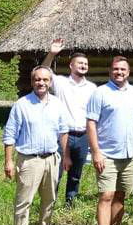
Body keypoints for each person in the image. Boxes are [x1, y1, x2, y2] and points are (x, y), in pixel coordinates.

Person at [86, 56, 133, 225]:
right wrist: (96, 151)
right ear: (110, 71)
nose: (119, 72)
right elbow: (91, 123)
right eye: (116, 69)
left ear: (128, 72)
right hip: (107, 155)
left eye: (123, 69)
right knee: (106, 195)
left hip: (129, 154)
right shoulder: (100, 93)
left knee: (121, 195)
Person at [2, 66, 71, 225]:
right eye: (37, 79)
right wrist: (9, 161)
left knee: (49, 199)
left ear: (50, 82)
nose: (41, 83)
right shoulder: (22, 105)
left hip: (52, 159)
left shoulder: (57, 104)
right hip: (29, 160)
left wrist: (66, 155)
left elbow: (63, 131)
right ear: (32, 81)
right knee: (24, 201)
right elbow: (9, 135)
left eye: (45, 79)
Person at [41, 39, 97, 206]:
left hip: (82, 136)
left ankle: (70, 203)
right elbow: (44, 72)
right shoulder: (60, 82)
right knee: (56, 172)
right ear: (71, 66)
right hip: (61, 135)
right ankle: (50, 203)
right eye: (79, 63)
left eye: (85, 64)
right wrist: (52, 53)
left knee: (75, 174)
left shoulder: (92, 88)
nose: (83, 66)